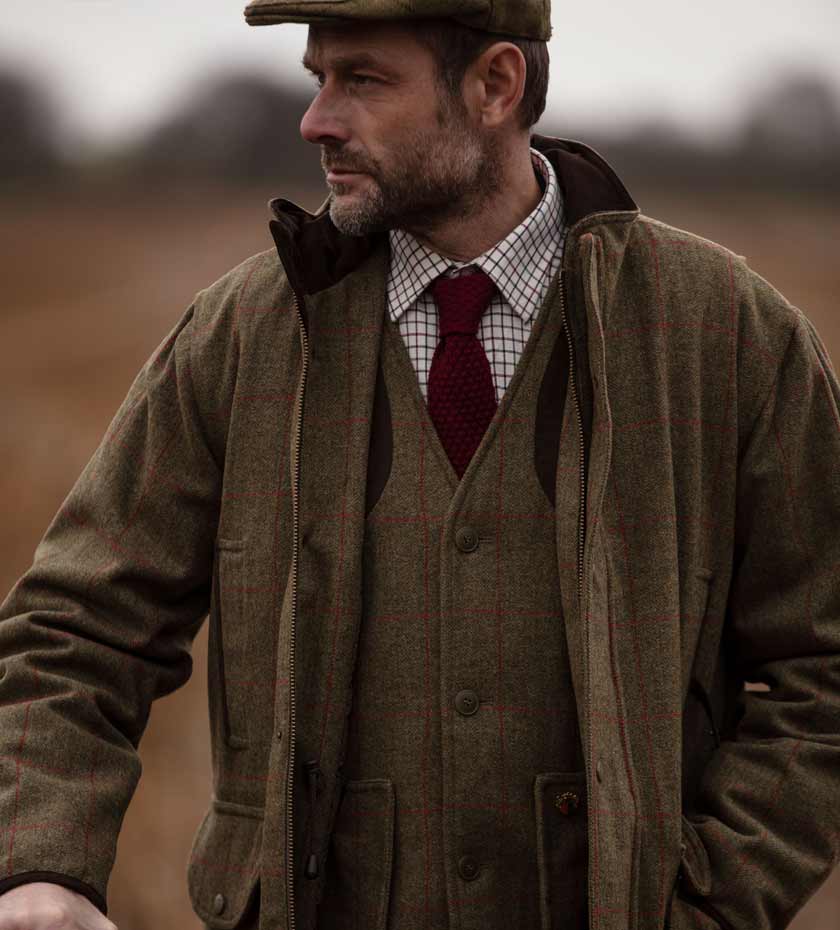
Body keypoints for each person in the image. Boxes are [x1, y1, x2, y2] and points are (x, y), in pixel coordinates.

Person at [0, 1, 838, 929]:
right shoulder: (242, 336)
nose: (317, 118)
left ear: (495, 85)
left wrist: (712, 906)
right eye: (317, 77)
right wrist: (43, 867)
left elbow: (824, 671)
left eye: (361, 79)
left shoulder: (727, 337)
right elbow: (75, 629)